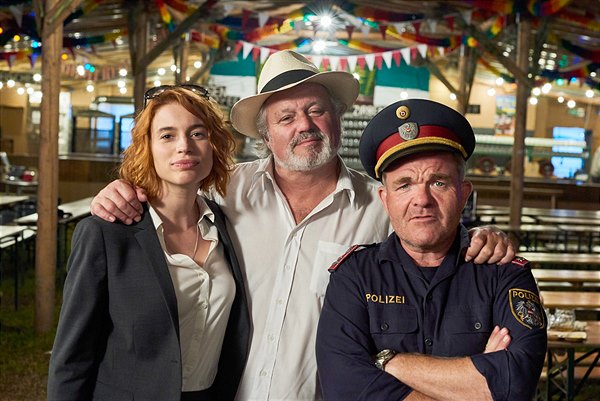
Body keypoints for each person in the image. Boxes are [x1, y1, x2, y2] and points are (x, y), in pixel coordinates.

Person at [90, 51, 516, 401]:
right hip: (225, 392)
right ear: (265, 136)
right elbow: (168, 194)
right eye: (286, 117)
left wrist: (480, 238)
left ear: (338, 118)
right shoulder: (225, 189)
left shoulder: (380, 205)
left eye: (316, 111)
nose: (305, 126)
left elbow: (431, 233)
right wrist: (121, 190)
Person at [316, 99, 547, 401]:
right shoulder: (354, 276)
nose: (422, 199)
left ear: (464, 195)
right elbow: (344, 388)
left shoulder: (505, 274)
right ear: (385, 199)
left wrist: (387, 361)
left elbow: (514, 385)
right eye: (405, 185)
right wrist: (474, 383)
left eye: (438, 182)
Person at [47, 86, 250, 401]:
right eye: (167, 136)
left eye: (197, 133)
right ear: (147, 148)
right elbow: (72, 358)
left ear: (214, 146)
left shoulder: (229, 226)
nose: (184, 146)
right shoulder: (106, 234)